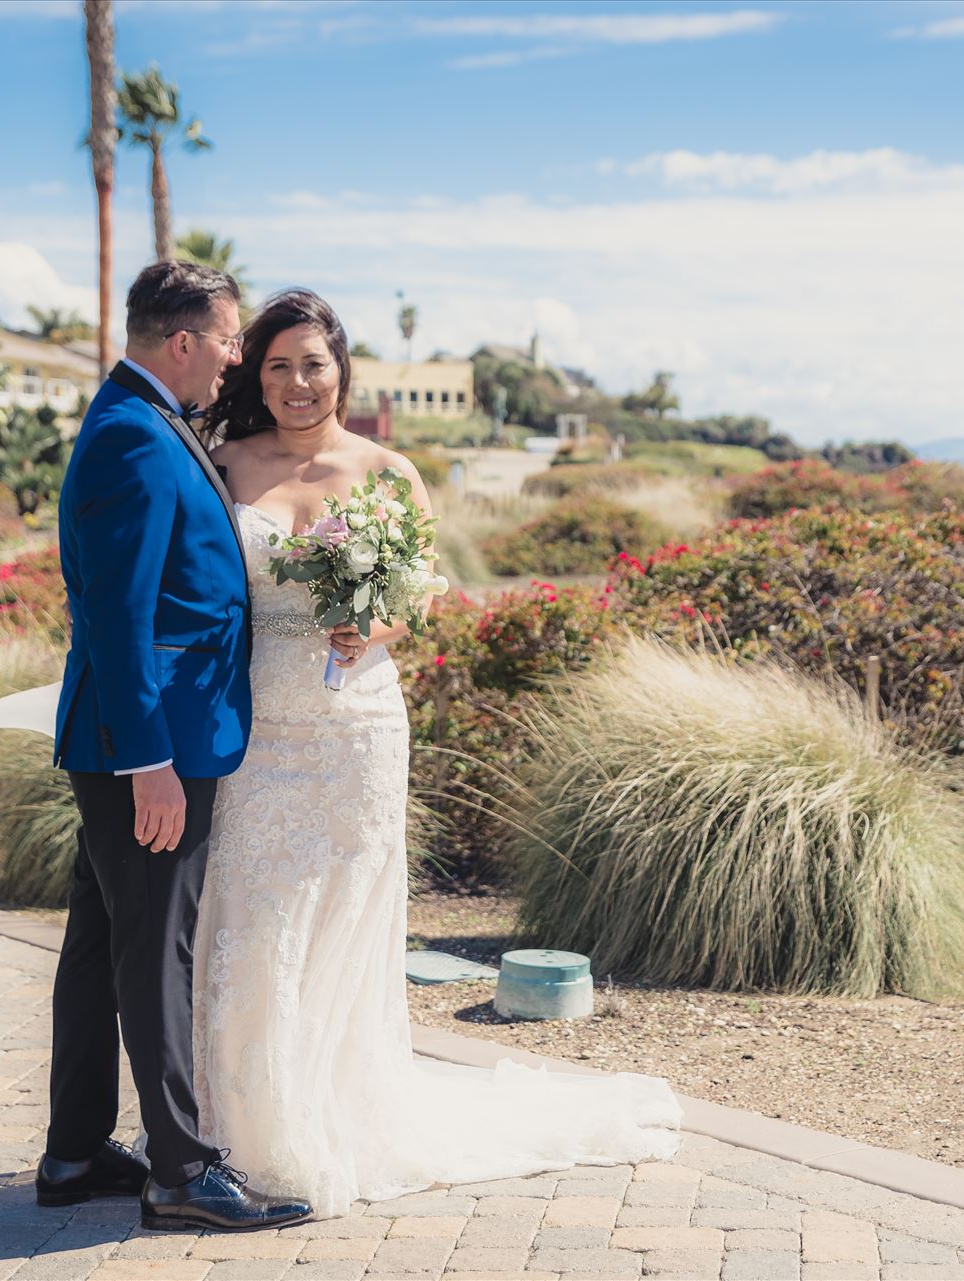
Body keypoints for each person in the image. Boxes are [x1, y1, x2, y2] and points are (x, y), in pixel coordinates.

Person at [195, 288, 680, 1215]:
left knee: (343, 918)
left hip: (359, 728)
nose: (298, 383)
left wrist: (370, 628)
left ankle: (328, 1116)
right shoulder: (224, 467)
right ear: (257, 376)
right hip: (256, 724)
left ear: (343, 368)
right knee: (255, 915)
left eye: (314, 363)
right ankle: (242, 1126)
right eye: (278, 366)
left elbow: (424, 593)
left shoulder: (387, 469)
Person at [39, 261, 311, 1233]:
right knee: (158, 951)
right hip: (148, 745)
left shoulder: (138, 420)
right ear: (185, 342)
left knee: (101, 942)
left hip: (132, 736)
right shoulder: (133, 439)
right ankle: (183, 1172)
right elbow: (117, 617)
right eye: (232, 338)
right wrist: (148, 761)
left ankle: (74, 1152)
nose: (239, 354)